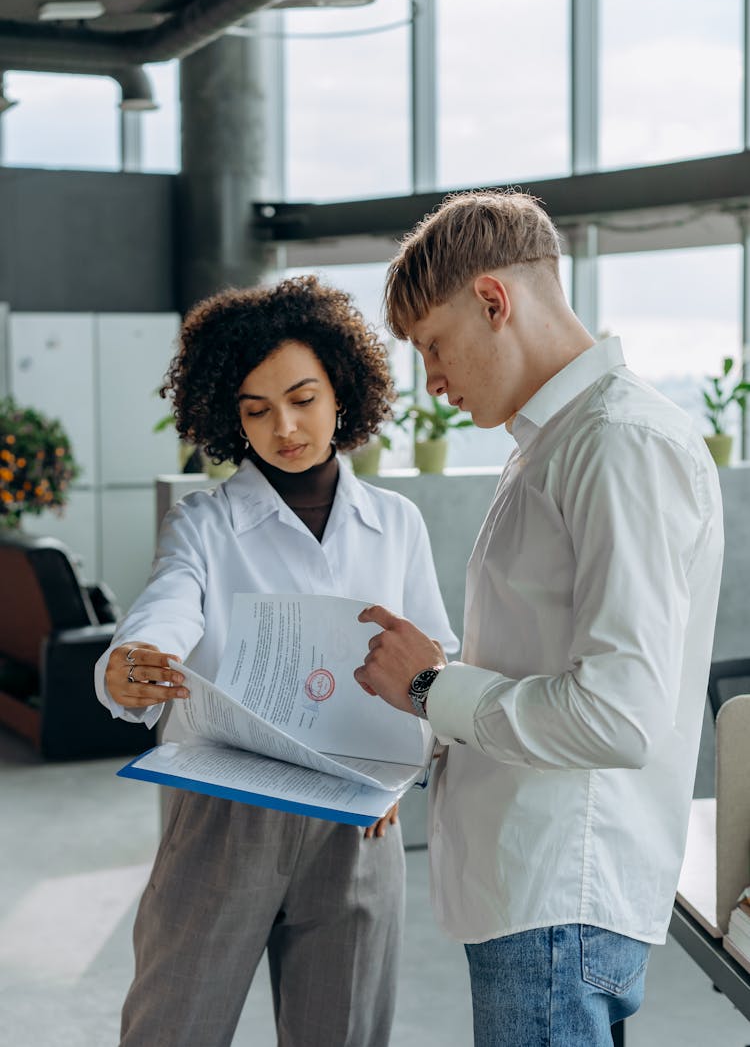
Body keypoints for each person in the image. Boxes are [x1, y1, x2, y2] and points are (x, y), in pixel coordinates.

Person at [354, 191, 725, 1047]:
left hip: (558, 900)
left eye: (434, 346)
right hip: (534, 896)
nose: (432, 380)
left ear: (494, 301)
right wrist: (423, 706)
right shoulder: (555, 444)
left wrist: (428, 684)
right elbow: (537, 664)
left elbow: (618, 714)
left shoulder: (618, 444)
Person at [94, 276, 457, 1047]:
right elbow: (169, 601)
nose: (284, 426)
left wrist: (406, 763)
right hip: (225, 816)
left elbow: (437, 662)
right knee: (172, 1027)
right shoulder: (205, 521)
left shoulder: (396, 524)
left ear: (341, 390)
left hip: (356, 822)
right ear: (229, 416)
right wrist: (135, 659)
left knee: (345, 1033)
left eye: (302, 397)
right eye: (255, 409)